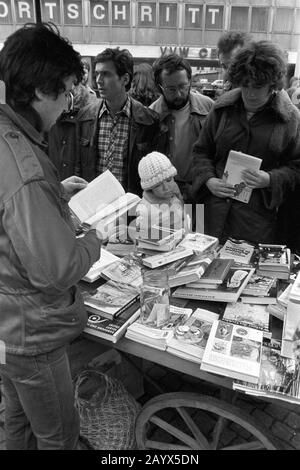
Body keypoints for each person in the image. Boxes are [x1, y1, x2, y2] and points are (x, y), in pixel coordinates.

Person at [0, 23, 105, 450]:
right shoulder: (25, 167)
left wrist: (55, 195)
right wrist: (96, 239)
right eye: (65, 92)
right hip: (32, 335)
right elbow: (56, 269)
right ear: (41, 91)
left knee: (17, 422)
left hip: (6, 326)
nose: (67, 104)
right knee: (58, 435)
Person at [192, 40, 300, 245]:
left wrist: (269, 178)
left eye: (258, 86)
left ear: (273, 84)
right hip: (212, 212)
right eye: (245, 84)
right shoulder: (222, 108)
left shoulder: (290, 119)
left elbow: (297, 167)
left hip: (256, 220)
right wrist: (209, 180)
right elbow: (201, 151)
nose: (250, 93)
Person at [48, 48, 159, 195]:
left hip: (131, 206)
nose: (98, 80)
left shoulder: (148, 121)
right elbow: (78, 166)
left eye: (106, 74)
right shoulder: (85, 116)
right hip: (94, 204)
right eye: (97, 74)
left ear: (125, 79)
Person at [150, 54, 214, 203]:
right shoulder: (152, 114)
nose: (178, 94)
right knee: (172, 226)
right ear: (160, 87)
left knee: (197, 226)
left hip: (202, 189)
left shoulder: (209, 107)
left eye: (183, 86)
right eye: (171, 89)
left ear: (190, 81)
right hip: (167, 192)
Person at [136, 151, 189, 240]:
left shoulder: (174, 197)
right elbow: (142, 241)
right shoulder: (145, 211)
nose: (166, 188)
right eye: (158, 185)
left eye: (169, 180)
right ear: (150, 188)